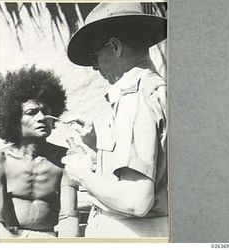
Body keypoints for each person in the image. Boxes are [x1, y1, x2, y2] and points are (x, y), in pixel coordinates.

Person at [62, 2, 168, 237]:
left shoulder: (134, 97)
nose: (95, 67)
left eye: (94, 56)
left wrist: (82, 175)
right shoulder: (159, 89)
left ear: (115, 46)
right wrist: (97, 144)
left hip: (131, 234)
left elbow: (135, 201)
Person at [0, 66, 79, 238]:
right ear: (13, 119)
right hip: (10, 236)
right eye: (31, 113)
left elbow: (69, 217)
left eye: (47, 112)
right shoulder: (1, 160)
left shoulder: (65, 159)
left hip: (51, 238)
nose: (42, 118)